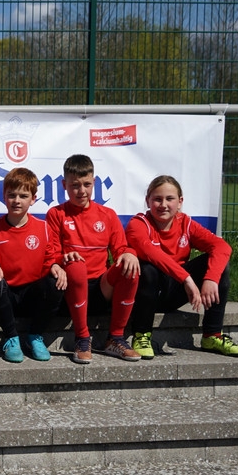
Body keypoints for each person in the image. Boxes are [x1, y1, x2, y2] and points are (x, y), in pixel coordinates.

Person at [125, 175, 238, 358]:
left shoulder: (186, 223)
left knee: (218, 266)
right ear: (148, 201)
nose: (163, 204)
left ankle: (212, 335)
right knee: (148, 269)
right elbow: (151, 253)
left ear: (180, 202)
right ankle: (141, 335)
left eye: (169, 199)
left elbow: (221, 247)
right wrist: (187, 279)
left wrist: (211, 279)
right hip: (146, 295)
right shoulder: (138, 224)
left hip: (175, 292)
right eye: (157, 199)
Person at [46, 154, 140, 364]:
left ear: (94, 183)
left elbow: (120, 249)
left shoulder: (107, 214)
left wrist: (129, 253)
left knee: (130, 266)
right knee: (76, 264)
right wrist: (63, 258)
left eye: (87, 184)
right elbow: (51, 254)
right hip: (71, 287)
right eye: (75, 185)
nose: (81, 191)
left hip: (101, 288)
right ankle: (82, 338)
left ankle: (115, 338)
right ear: (64, 185)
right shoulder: (56, 214)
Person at [0, 168, 66, 362]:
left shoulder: (44, 228)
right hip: (6, 296)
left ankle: (35, 336)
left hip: (31, 296)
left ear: (33, 199)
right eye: (12, 195)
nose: (17, 200)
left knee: (56, 281)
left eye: (23, 196)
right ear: (4, 197)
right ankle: (11, 337)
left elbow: (50, 259)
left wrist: (55, 266)